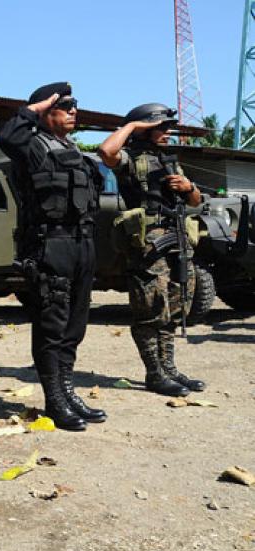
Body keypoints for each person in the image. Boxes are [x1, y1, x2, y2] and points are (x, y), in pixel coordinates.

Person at [0, 82, 106, 431]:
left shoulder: (75, 151)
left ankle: (67, 390)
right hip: (50, 245)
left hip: (82, 244)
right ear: (45, 112)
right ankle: (54, 400)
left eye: (75, 105)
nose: (74, 111)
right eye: (65, 105)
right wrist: (37, 107)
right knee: (52, 326)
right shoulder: (31, 147)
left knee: (75, 325)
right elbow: (8, 136)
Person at [98, 103, 205, 396]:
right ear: (145, 130)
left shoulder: (168, 160)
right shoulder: (130, 158)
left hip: (176, 239)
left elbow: (196, 202)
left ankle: (169, 368)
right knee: (150, 310)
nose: (168, 132)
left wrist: (188, 187)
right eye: (161, 127)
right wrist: (133, 126)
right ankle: (154, 373)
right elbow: (106, 151)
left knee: (175, 308)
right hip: (148, 244)